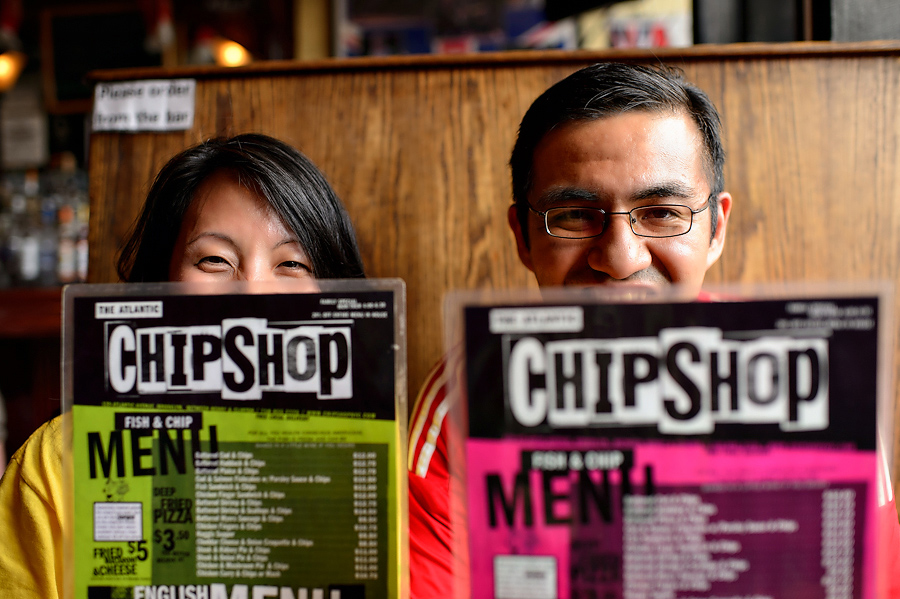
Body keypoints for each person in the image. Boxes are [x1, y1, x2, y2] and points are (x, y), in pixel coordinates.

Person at [406, 62, 898, 598]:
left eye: (662, 212)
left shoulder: (816, 381)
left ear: (716, 229)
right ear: (523, 238)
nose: (619, 259)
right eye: (573, 214)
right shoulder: (466, 397)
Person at [0, 133, 365, 598]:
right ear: (159, 282)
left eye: (292, 264)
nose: (252, 295)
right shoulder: (55, 466)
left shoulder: (364, 463)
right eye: (214, 260)